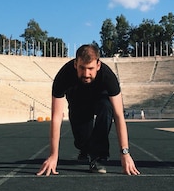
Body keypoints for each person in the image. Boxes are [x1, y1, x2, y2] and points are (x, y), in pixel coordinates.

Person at [36, 44, 140, 176]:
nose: (86, 74)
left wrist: (125, 153)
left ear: (98, 65)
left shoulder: (108, 77)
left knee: (106, 108)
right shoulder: (63, 76)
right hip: (77, 101)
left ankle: (98, 157)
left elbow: (119, 115)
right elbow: (56, 117)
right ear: (75, 64)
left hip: (100, 100)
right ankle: (84, 148)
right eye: (82, 68)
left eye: (90, 69)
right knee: (82, 142)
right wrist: (53, 155)